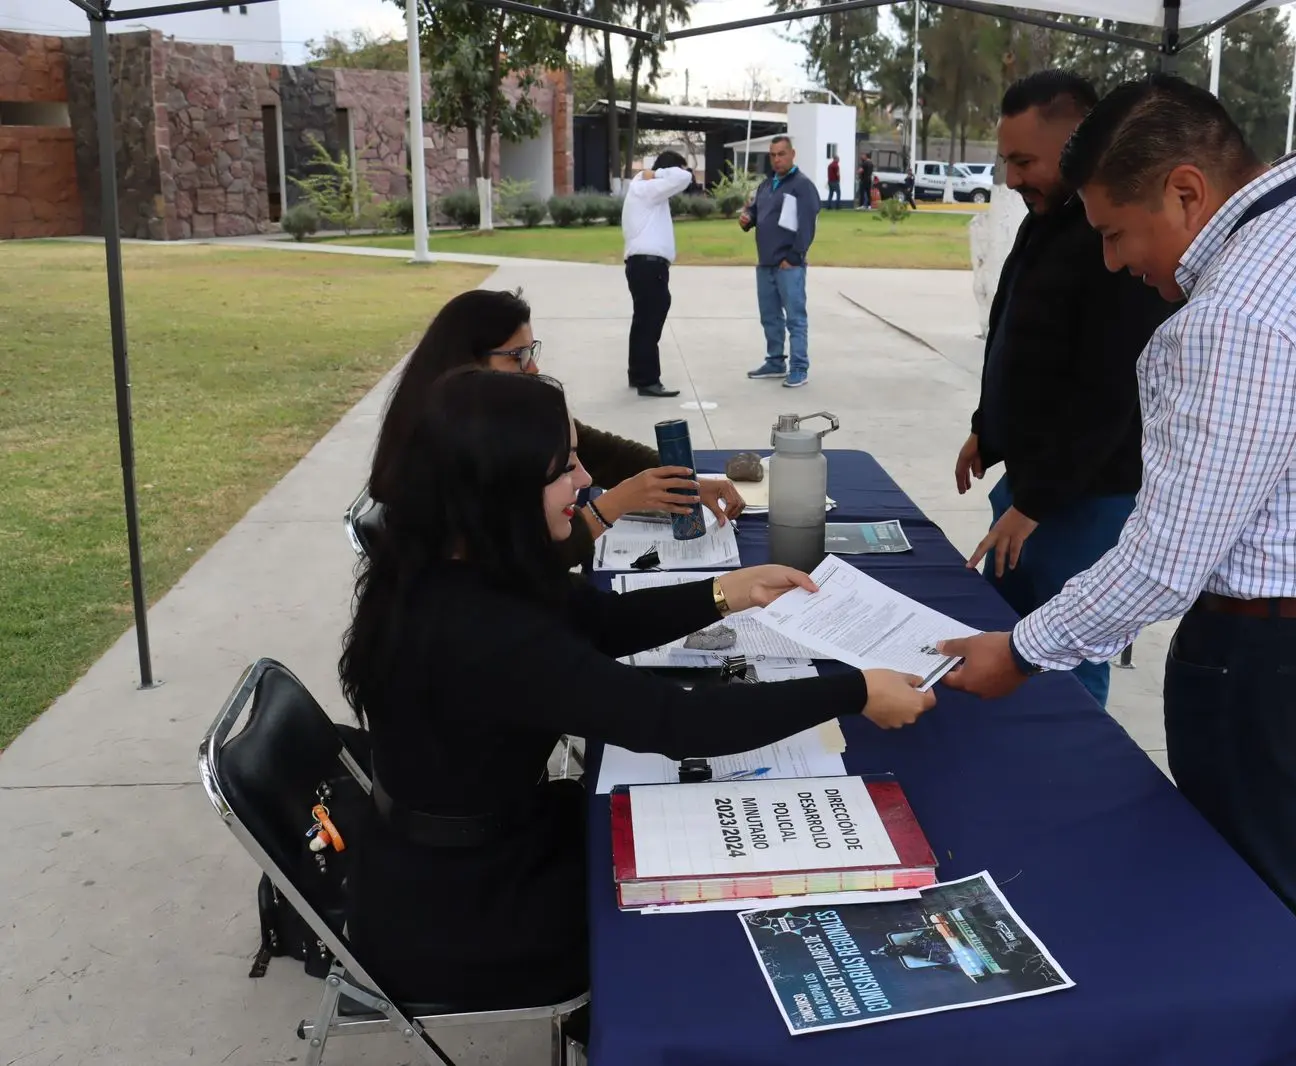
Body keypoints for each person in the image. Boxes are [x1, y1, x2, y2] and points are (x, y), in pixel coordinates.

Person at [939, 75, 1296, 939]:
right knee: (1256, 866)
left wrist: (1020, 651)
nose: (1113, 263)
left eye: (1114, 233)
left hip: (1274, 654)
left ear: (1186, 191)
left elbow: (1164, 561)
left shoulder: (1231, 320)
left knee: (1245, 904)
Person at [341, 368, 935, 1015]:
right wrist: (851, 693)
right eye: (561, 468)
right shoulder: (479, 626)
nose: (585, 480)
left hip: (472, 855)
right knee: (709, 931)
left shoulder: (454, 559)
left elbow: (594, 622)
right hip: (466, 914)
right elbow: (675, 723)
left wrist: (726, 593)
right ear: (500, 486)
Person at [956, 70, 1175, 709]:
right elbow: (1013, 334)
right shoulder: (1042, 220)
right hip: (1032, 486)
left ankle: (1069, 777)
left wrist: (1036, 505)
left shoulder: (1116, 241)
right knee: (1009, 638)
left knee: (1065, 658)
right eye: (1008, 162)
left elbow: (1112, 390)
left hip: (1082, 499)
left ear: (1081, 143)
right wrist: (984, 426)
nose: (1014, 178)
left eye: (1025, 161)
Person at [368, 288, 744, 567]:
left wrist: (682, 482)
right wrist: (612, 505)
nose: (532, 368)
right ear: (469, 360)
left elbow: (601, 451)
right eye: (518, 356)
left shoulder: (494, 415)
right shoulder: (439, 445)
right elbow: (525, 564)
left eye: (533, 352)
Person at [740, 135, 821, 389]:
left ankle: (799, 367)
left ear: (792, 154)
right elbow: (755, 212)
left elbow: (807, 225)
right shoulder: (766, 185)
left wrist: (793, 258)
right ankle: (775, 362)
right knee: (770, 316)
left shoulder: (802, 186)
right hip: (765, 264)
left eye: (781, 154)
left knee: (795, 318)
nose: (777, 159)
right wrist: (746, 218)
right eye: (773, 155)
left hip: (788, 266)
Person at [622, 150, 694, 398]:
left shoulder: (646, 192)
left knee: (642, 321)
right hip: (648, 266)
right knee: (650, 321)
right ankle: (648, 380)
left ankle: (637, 373)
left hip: (643, 266)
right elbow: (683, 177)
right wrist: (657, 172)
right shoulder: (646, 188)